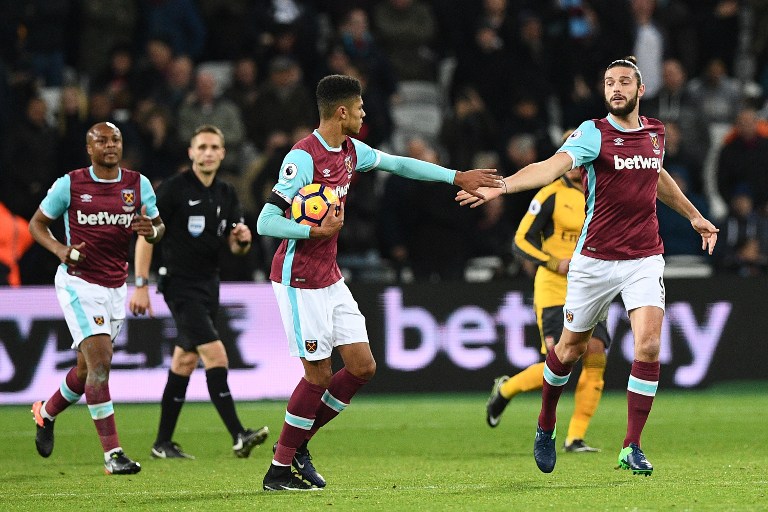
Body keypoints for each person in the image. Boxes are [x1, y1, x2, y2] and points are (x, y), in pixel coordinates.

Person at [457, 57, 719, 476]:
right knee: (569, 350)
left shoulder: (655, 133)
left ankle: (631, 446)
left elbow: (658, 177)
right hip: (595, 261)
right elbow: (549, 167)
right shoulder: (592, 134)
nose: (616, 88)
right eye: (609, 83)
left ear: (640, 89)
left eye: (624, 82)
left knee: (648, 345)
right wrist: (503, 187)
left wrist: (693, 215)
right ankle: (546, 423)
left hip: (644, 257)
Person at [256, 74, 501, 491]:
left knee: (362, 366)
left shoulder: (353, 151)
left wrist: (455, 176)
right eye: (361, 107)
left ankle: (297, 445)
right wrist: (312, 232)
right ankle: (279, 471)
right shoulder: (303, 158)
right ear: (342, 112)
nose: (365, 113)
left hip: (329, 276)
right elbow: (266, 220)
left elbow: (401, 164)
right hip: (298, 278)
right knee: (316, 377)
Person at [29, 122, 165, 475]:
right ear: (89, 149)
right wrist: (61, 250)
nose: (109, 145)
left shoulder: (138, 184)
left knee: (86, 369)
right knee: (102, 362)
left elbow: (158, 228)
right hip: (79, 283)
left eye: (115, 139)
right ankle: (113, 455)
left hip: (115, 286)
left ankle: (46, 414)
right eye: (101, 140)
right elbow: (37, 224)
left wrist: (152, 230)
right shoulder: (70, 184)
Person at [128, 125, 269, 460]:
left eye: (214, 147)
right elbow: (146, 235)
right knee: (216, 355)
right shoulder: (174, 190)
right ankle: (239, 434)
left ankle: (162, 443)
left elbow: (235, 246)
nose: (208, 152)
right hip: (179, 283)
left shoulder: (227, 194)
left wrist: (242, 241)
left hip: (209, 284)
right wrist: (140, 284)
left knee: (185, 360)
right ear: (191, 152)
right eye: (202, 147)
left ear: (222, 153)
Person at [485, 133, 610, 454]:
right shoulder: (551, 194)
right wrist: (553, 261)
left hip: (593, 288)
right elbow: (521, 240)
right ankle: (507, 389)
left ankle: (575, 437)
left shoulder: (602, 194)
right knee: (560, 362)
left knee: (595, 356)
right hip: (555, 289)